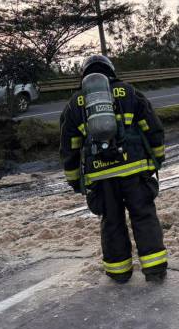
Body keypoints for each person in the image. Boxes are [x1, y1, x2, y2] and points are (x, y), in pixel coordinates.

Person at [59, 55, 168, 284]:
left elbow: (69, 146)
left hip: (101, 177)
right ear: (111, 70)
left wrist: (74, 179)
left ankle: (119, 273)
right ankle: (155, 269)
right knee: (143, 215)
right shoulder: (129, 92)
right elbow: (152, 127)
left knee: (112, 222)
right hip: (135, 170)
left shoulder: (75, 103)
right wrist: (158, 157)